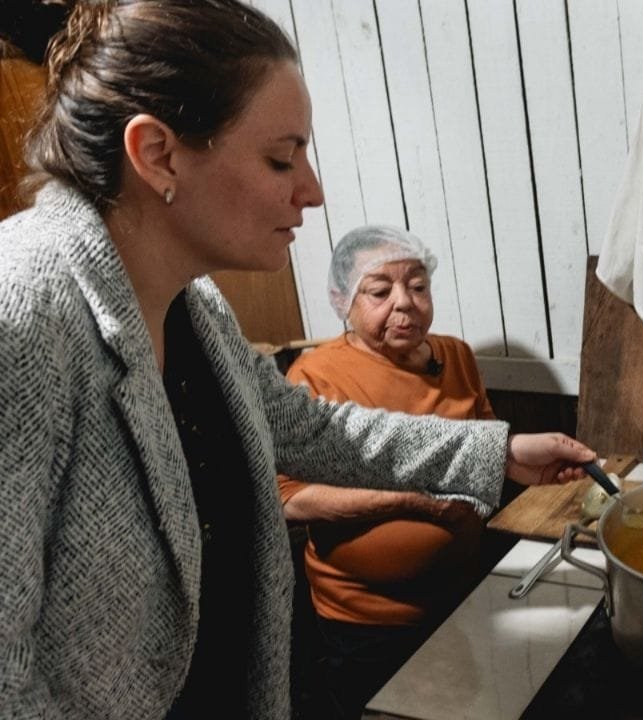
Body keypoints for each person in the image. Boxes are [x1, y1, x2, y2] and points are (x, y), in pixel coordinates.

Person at [0, 2, 595, 718]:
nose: (311, 190)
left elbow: (313, 431)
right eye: (281, 158)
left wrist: (502, 452)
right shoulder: (25, 313)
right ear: (158, 154)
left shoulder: (199, 309)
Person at [277, 226, 503, 718]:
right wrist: (408, 501)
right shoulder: (316, 376)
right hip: (367, 622)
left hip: (465, 598)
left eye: (418, 286)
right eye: (379, 291)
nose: (405, 303)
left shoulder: (456, 355)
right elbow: (290, 500)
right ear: (343, 300)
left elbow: (488, 447)